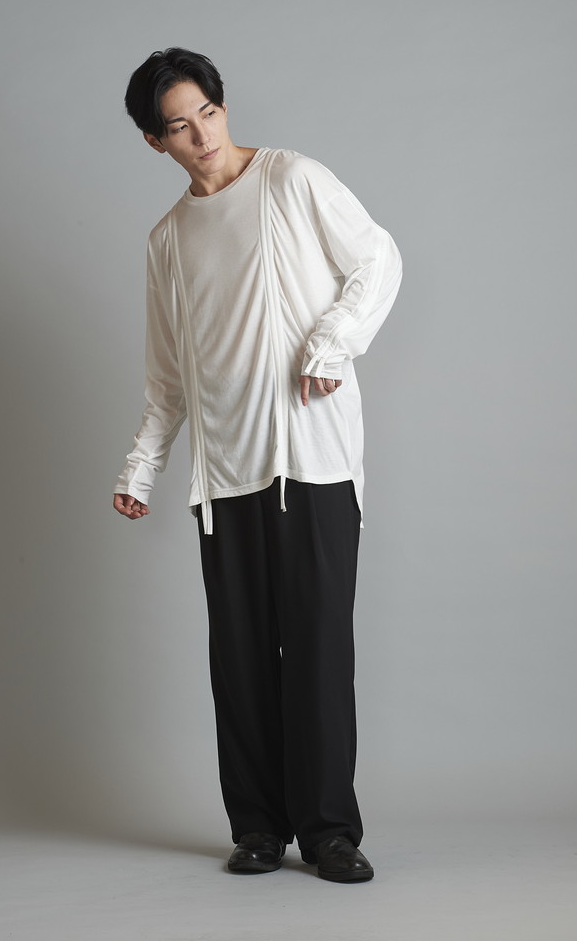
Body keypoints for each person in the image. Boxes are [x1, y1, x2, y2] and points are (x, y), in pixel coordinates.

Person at [112, 47, 402, 883]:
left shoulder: (292, 179)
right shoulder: (168, 240)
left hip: (311, 463)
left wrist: (332, 344)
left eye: (208, 113)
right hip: (224, 474)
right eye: (179, 127)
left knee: (318, 652)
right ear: (154, 141)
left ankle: (329, 831)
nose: (202, 136)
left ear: (223, 106)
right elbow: (167, 377)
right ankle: (258, 829)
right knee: (238, 661)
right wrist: (140, 468)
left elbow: (378, 259)